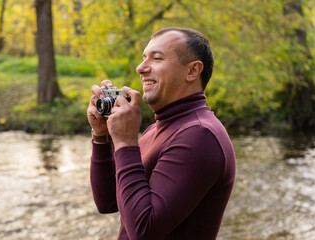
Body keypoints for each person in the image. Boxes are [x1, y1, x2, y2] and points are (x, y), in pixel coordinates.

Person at [87, 27, 236, 240]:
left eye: (156, 58)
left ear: (193, 71)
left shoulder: (200, 136)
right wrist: (102, 135)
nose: (140, 68)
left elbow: (144, 230)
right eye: (143, 58)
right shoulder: (158, 128)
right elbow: (108, 201)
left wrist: (126, 142)